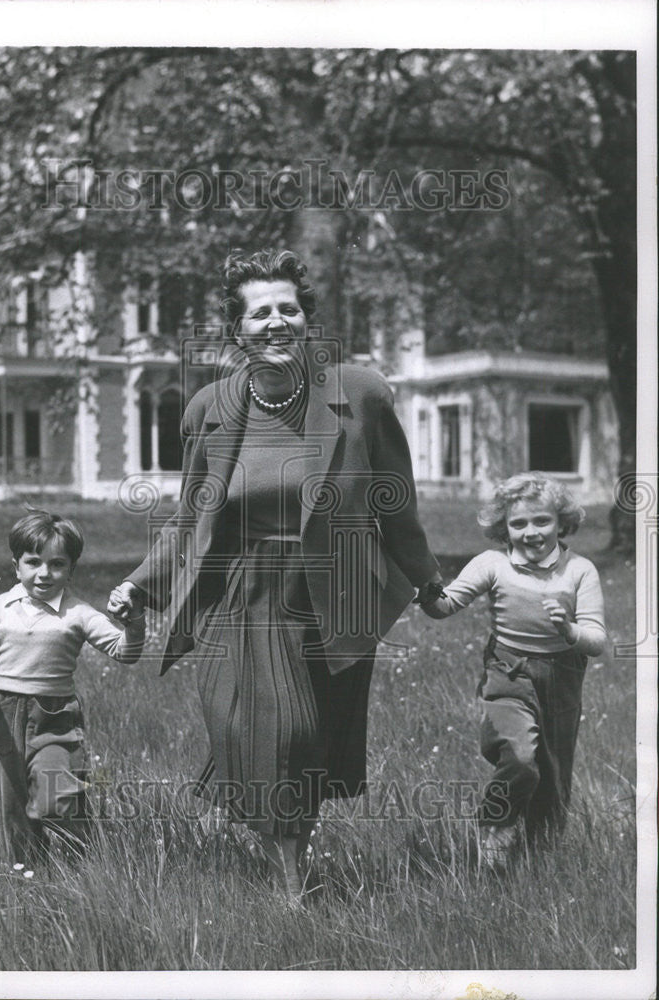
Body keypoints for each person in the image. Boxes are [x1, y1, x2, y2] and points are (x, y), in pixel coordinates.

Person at [109, 248, 440, 899]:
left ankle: (277, 823)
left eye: (289, 307)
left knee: (313, 742)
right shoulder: (210, 407)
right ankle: (294, 888)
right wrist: (140, 585)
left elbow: (395, 500)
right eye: (261, 312)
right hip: (246, 592)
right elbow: (189, 519)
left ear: (307, 317)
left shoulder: (360, 394)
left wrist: (428, 581)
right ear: (238, 331)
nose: (277, 321)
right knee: (282, 729)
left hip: (333, 587)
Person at [417, 472, 607, 870]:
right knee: (520, 757)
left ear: (561, 521)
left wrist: (569, 630)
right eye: (518, 523)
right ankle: (497, 827)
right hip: (508, 673)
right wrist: (427, 592)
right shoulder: (493, 564)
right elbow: (445, 606)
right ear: (503, 527)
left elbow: (597, 640)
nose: (530, 532)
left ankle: (540, 856)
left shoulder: (580, 571)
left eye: (542, 521)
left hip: (562, 678)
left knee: (553, 777)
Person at [0, 509, 145, 869]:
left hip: (55, 718)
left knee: (56, 798)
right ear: (17, 566)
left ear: (71, 569)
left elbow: (125, 653)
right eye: (33, 562)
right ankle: (30, 876)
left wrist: (134, 622)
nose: (44, 573)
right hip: (4, 714)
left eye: (57, 564)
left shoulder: (78, 614)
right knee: (14, 810)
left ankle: (85, 858)